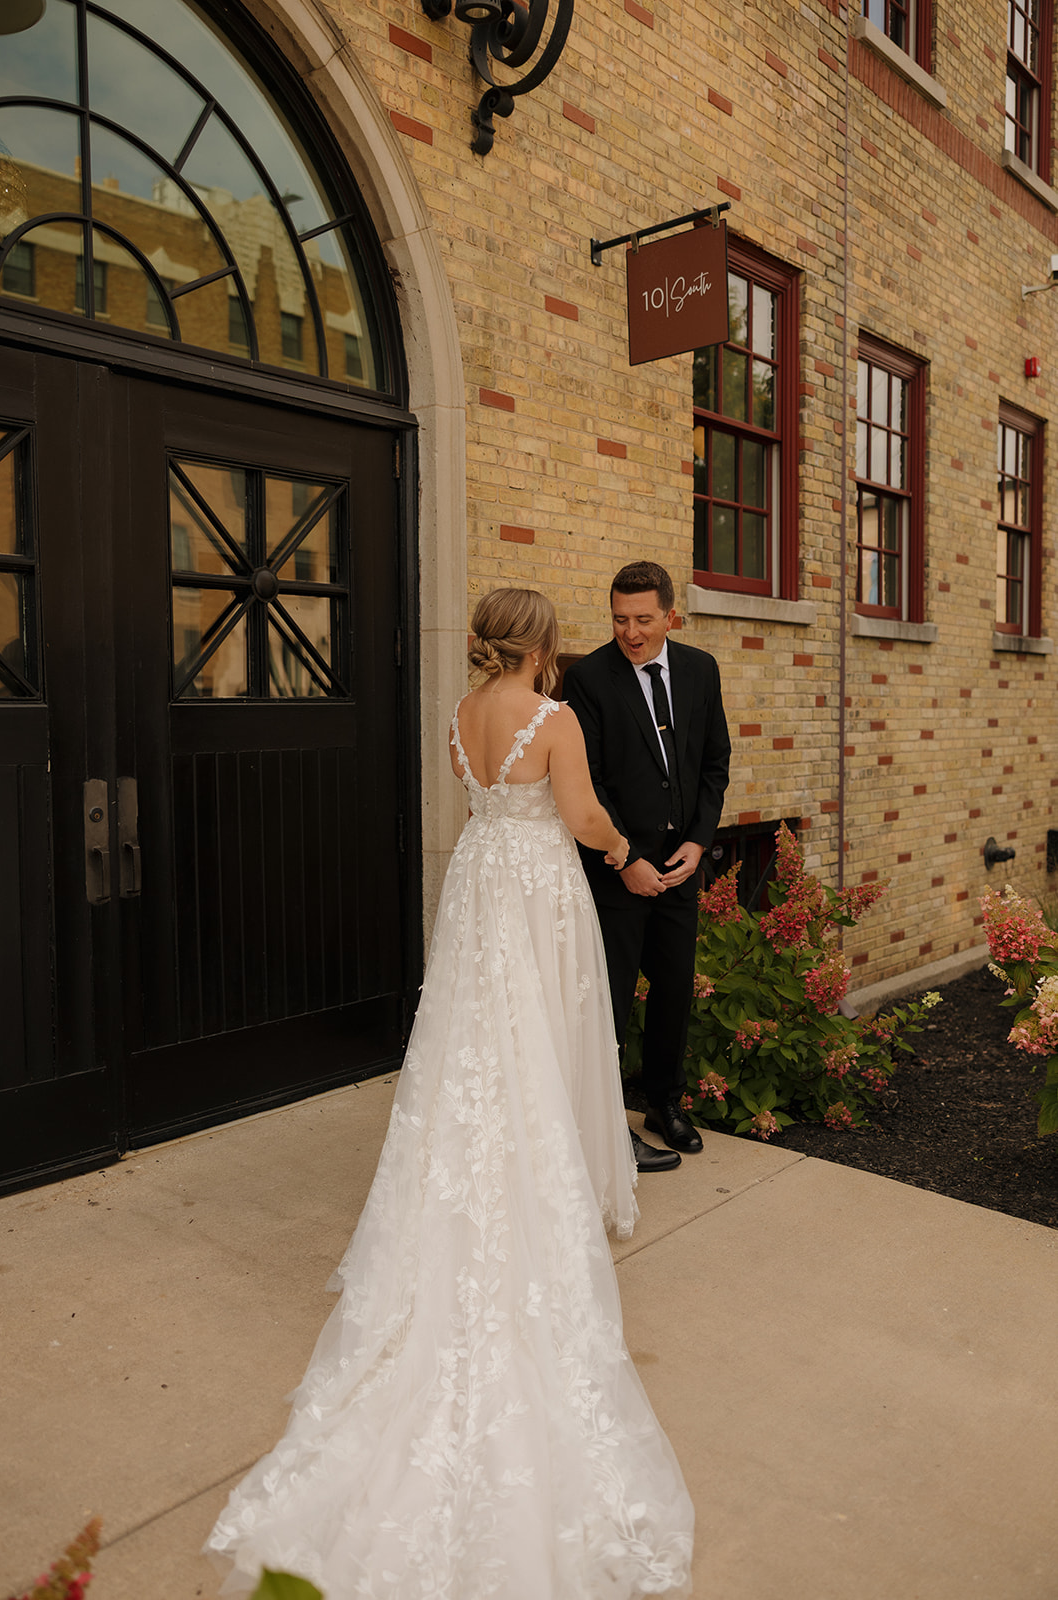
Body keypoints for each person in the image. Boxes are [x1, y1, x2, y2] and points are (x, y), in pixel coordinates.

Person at [205, 588, 694, 1598]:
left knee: (474, 1042)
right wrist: (622, 855)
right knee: (539, 1040)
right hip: (535, 888)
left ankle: (474, 1178)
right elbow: (579, 813)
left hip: (478, 885)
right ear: (545, 644)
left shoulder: (458, 719)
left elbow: (482, 805)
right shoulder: (553, 720)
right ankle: (537, 1181)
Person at [564, 562, 731, 1173]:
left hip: (680, 866)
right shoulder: (585, 680)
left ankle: (664, 1103)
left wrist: (698, 842)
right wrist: (627, 858)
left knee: (674, 989)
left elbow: (714, 764)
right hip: (615, 869)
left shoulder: (699, 670)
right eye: (618, 618)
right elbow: (587, 782)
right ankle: (608, 1124)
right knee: (610, 998)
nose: (629, 632)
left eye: (642, 619)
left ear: (670, 616)